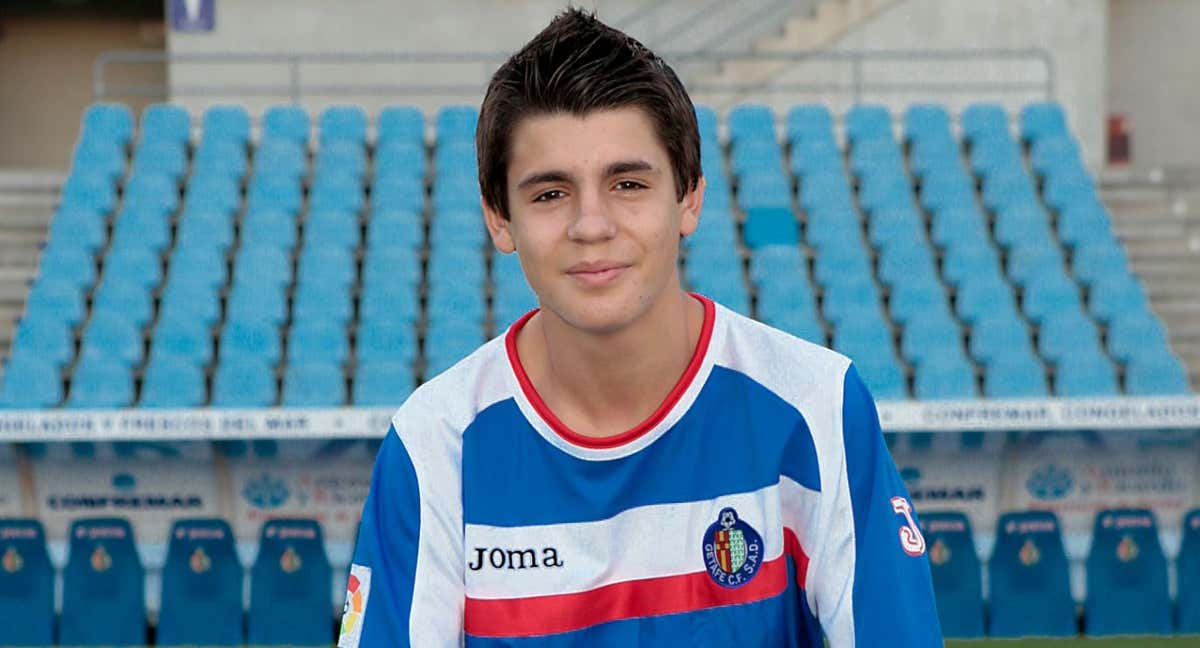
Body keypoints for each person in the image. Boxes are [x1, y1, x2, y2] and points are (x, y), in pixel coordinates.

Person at [339, 8, 940, 647]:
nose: (591, 225)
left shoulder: (815, 407)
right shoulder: (437, 443)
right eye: (550, 194)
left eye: (627, 183)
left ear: (688, 198)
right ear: (499, 220)